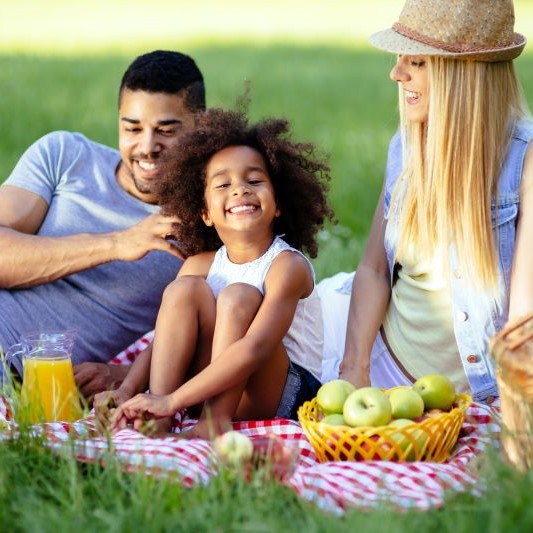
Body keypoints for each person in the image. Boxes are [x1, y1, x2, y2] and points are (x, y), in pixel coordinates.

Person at [334, 0, 533, 403]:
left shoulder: (525, 162)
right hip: (381, 365)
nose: (396, 73)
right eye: (400, 58)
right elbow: (373, 269)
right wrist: (354, 369)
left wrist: (514, 422)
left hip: (475, 394)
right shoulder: (406, 147)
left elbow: (523, 322)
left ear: (464, 75)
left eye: (418, 63)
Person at [97, 107, 333, 438]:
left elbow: (255, 349)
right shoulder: (200, 265)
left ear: (279, 204)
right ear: (205, 213)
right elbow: (163, 340)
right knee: (183, 291)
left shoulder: (286, 266)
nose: (240, 190)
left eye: (254, 180)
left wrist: (174, 399)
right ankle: (157, 420)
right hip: (206, 388)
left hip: (282, 395)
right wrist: (132, 391)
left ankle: (213, 423)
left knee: (238, 295)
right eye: (223, 184)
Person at [0, 50, 206, 399]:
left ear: (201, 127)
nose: (147, 147)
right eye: (132, 128)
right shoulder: (64, 155)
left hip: (31, 381)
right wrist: (117, 243)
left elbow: (232, 338)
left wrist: (125, 374)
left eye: (166, 131)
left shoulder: (208, 218)